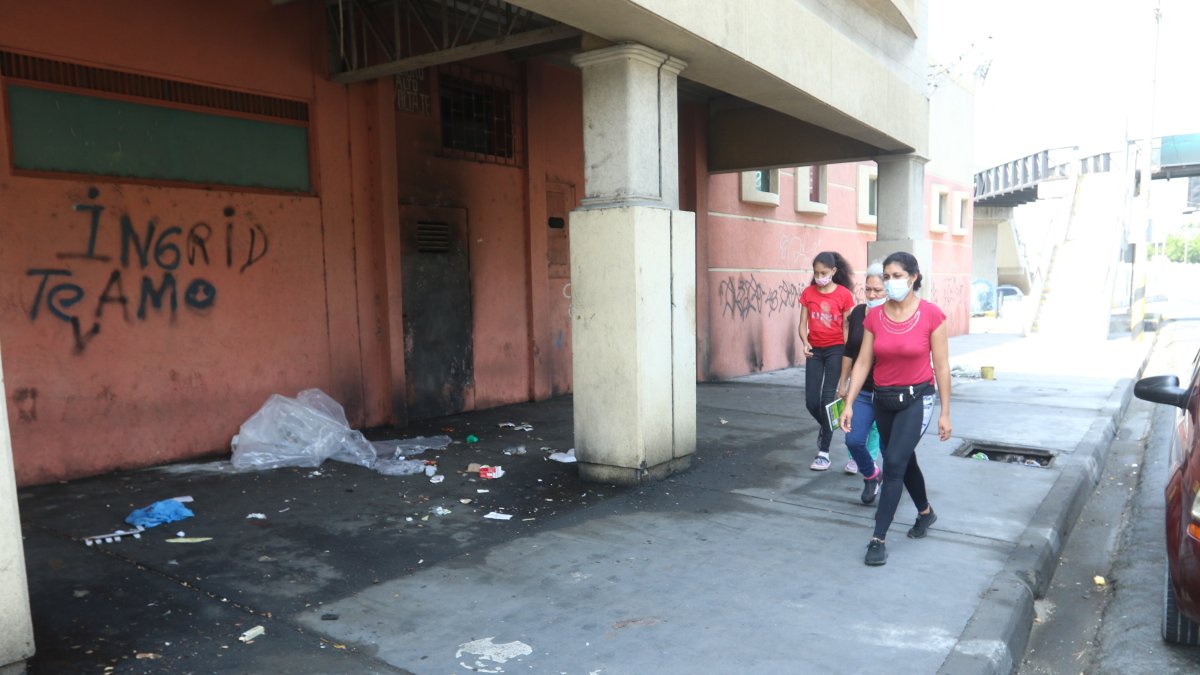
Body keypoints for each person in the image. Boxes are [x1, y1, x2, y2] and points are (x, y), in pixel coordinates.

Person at [838, 251, 952, 566]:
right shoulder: (875, 316)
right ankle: (925, 513)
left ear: (913, 277)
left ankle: (878, 538)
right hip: (883, 399)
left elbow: (941, 368)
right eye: (886, 277)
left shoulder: (932, 315)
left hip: (918, 398)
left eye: (897, 276)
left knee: (894, 464)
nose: (890, 283)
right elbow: (863, 362)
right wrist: (848, 402)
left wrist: (945, 412)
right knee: (904, 459)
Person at [798, 251, 856, 471]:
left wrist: (847, 354)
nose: (819, 276)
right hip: (814, 350)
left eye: (824, 272)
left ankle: (824, 453)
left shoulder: (844, 295)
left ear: (833, 271)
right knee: (811, 401)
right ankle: (827, 425)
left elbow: (846, 327)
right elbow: (802, 323)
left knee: (827, 400)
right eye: (816, 272)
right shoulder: (808, 293)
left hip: (835, 350)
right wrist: (804, 341)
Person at [837, 263, 887, 503]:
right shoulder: (858, 313)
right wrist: (843, 384)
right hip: (864, 391)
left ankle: (894, 485)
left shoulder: (895, 316)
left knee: (893, 450)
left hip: (890, 393)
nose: (871, 295)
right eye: (867, 289)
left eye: (877, 290)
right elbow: (849, 351)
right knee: (853, 440)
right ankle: (871, 474)